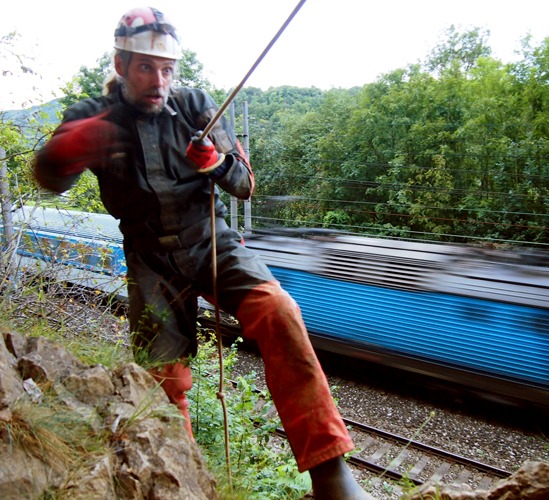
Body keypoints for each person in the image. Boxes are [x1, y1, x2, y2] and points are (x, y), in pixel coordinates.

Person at [33, 7, 373, 499]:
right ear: (121, 63)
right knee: (165, 380)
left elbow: (244, 185)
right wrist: (66, 152)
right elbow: (48, 180)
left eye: (168, 69)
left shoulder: (197, 107)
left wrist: (214, 162)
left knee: (277, 310)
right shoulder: (91, 116)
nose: (160, 80)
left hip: (211, 241)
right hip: (150, 258)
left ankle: (330, 471)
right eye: (147, 67)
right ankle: (187, 483)